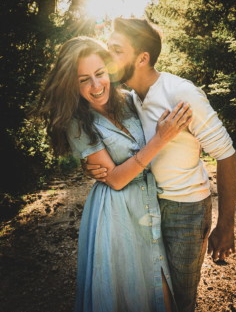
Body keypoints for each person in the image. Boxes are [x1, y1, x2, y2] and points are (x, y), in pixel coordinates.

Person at [86, 18, 236, 312]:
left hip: (186, 210)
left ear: (142, 58)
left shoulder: (180, 93)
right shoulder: (131, 99)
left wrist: (227, 225)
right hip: (147, 207)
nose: (108, 57)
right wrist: (90, 166)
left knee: (181, 300)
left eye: (116, 50)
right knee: (155, 294)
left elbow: (226, 154)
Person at [35, 36, 193, 312]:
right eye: (84, 79)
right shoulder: (77, 122)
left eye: (99, 73)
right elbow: (117, 180)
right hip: (116, 214)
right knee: (127, 292)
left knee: (161, 293)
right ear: (72, 83)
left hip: (152, 204)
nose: (96, 86)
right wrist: (160, 139)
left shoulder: (130, 100)